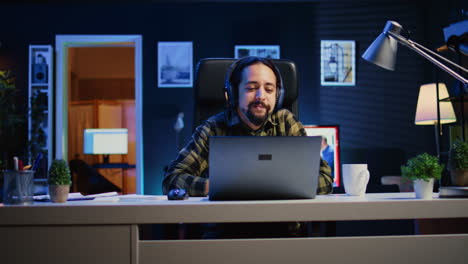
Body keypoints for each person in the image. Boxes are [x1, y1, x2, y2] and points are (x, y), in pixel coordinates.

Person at [162, 56, 333, 238]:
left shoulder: (286, 122)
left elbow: (325, 179)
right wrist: (214, 187)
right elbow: (172, 179)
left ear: (277, 95)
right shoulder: (213, 128)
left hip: (284, 235)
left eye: (269, 89)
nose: (261, 96)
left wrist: (267, 186)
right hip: (224, 237)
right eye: (251, 88)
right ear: (233, 93)